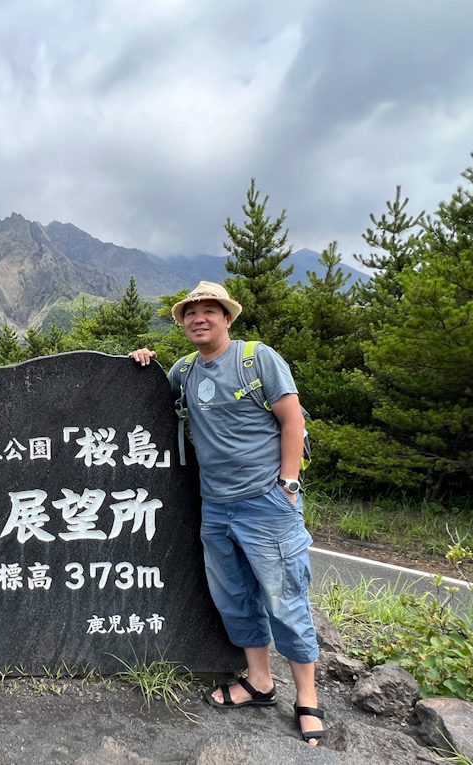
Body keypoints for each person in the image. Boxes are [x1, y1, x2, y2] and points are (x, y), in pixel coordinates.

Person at [130, 281, 324, 746]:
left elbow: (292, 419)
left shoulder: (257, 359)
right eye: (190, 313)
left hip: (266, 503)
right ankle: (259, 682)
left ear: (227, 318)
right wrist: (140, 361)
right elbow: (152, 392)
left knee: (285, 599)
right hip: (215, 506)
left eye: (209, 311)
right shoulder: (184, 371)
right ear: (182, 322)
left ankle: (308, 697)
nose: (199, 318)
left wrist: (289, 486)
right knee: (234, 596)